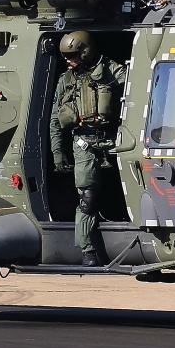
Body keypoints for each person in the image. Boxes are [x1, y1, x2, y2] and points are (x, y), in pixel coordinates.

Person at [47, 31, 126, 267]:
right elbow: (55, 118)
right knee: (87, 199)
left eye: (72, 56)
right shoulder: (66, 81)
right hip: (83, 142)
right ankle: (88, 250)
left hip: (115, 138)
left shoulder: (113, 71)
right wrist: (58, 151)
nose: (68, 61)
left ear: (85, 51)